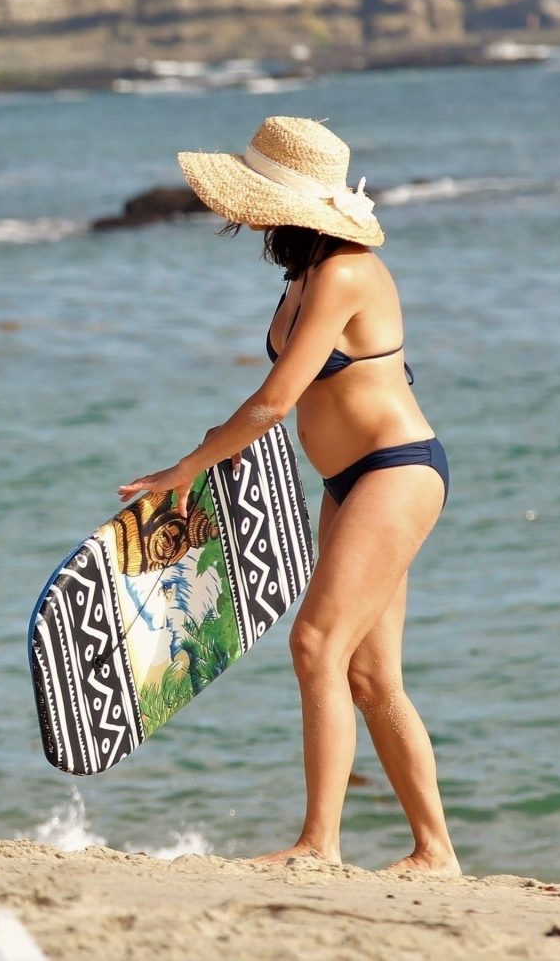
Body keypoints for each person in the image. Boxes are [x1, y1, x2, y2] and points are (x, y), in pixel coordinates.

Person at [118, 116, 459, 874]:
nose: (245, 219)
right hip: (350, 479)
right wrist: (227, 451)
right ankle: (435, 851)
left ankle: (319, 844)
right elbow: (299, 401)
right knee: (370, 676)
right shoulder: (303, 275)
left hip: (396, 470)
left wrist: (188, 465)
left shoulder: (345, 272)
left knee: (316, 644)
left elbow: (276, 399)